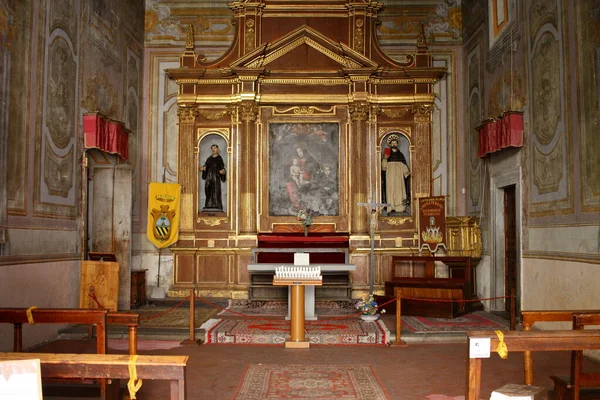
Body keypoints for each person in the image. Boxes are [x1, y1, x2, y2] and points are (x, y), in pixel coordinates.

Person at [382, 137, 410, 213]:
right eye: (392, 143)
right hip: (390, 175)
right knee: (390, 189)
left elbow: (403, 165)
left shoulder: (400, 154)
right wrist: (385, 158)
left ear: (397, 144)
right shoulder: (387, 154)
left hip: (399, 176)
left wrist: (406, 172)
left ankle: (400, 208)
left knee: (399, 189)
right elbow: (383, 168)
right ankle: (391, 207)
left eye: (395, 143)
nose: (394, 144)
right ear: (390, 144)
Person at [201, 144, 226, 210]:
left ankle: (217, 205)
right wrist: (204, 168)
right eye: (212, 148)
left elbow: (222, 167)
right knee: (208, 189)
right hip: (209, 177)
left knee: (215, 190)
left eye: (214, 148)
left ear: (217, 149)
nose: (213, 149)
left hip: (215, 177)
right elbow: (206, 165)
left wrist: (223, 171)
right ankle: (208, 205)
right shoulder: (209, 158)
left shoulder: (219, 158)